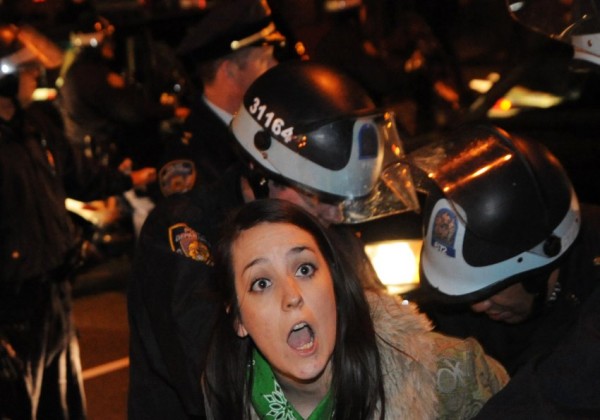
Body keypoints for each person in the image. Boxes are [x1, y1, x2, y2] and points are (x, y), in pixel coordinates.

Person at [127, 60, 420, 419]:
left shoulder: (322, 228)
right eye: (322, 198)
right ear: (265, 177)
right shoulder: (185, 234)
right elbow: (214, 373)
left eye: (342, 201)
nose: (335, 215)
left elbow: (378, 335)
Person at [203, 198, 508, 419]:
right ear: (239, 319)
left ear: (335, 284)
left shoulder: (453, 376)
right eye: (261, 283)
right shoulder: (224, 396)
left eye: (305, 269)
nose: (291, 296)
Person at [408, 124, 600, 416]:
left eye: (491, 289)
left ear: (542, 263)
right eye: (467, 291)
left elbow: (568, 388)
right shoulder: (465, 309)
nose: (478, 305)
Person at [0, 23, 88, 419]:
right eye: (28, 71)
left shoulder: (31, 129)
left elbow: (71, 178)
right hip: (13, 313)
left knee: (63, 408)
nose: (37, 77)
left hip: (53, 299)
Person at [56, 13, 187, 236]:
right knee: (145, 207)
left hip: (91, 152)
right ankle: (150, 263)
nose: (112, 45)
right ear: (97, 42)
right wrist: (170, 110)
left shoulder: (75, 73)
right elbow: (132, 111)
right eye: (108, 40)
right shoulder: (95, 76)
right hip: (108, 155)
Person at [162, 0, 288, 190]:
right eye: (264, 59)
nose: (274, 65)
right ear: (229, 71)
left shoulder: (272, 125)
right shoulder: (192, 156)